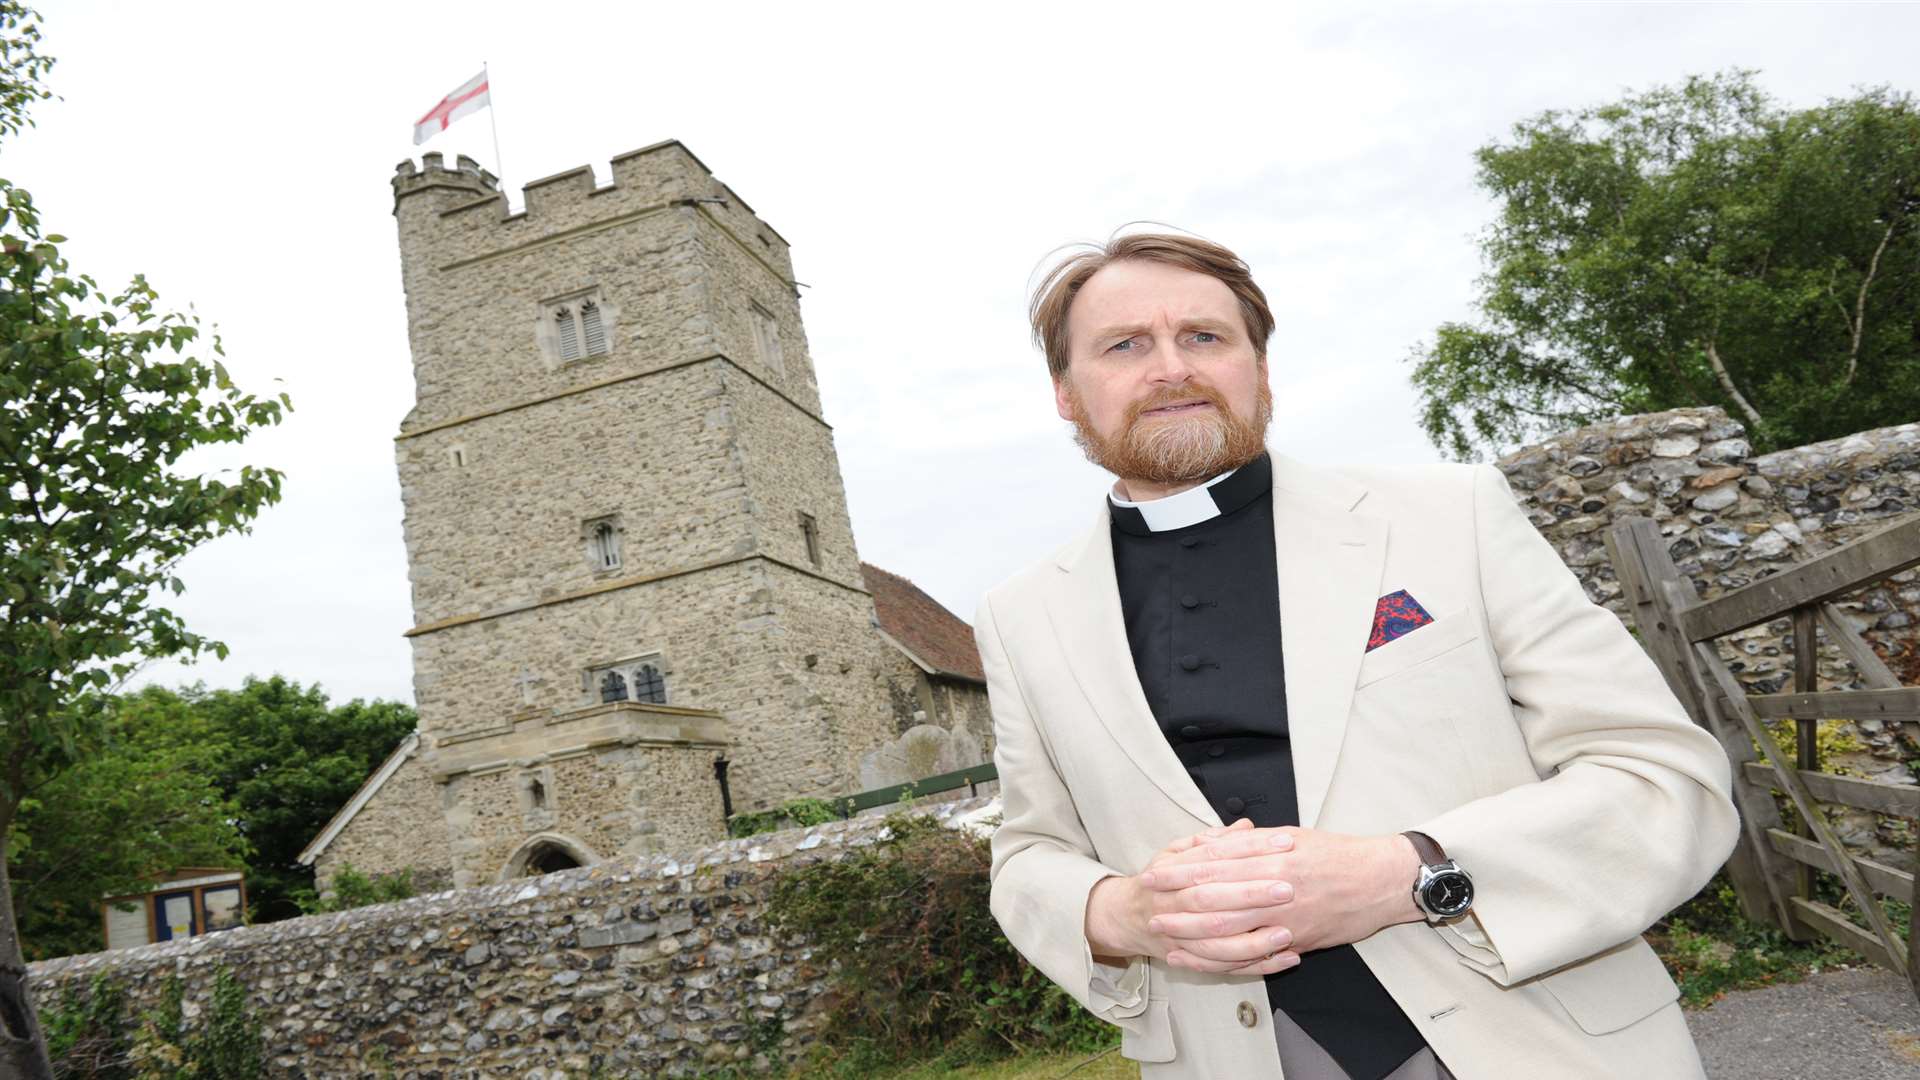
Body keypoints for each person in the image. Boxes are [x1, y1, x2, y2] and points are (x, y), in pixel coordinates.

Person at [975, 231, 1740, 1079]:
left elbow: (1665, 779)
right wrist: (1122, 916)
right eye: (1124, 346)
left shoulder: (1454, 516)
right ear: (1066, 393)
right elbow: (1028, 855)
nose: (1171, 368)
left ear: (1258, 369)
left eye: (1204, 337)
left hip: (1537, 1038)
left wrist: (1403, 874)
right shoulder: (1019, 619)